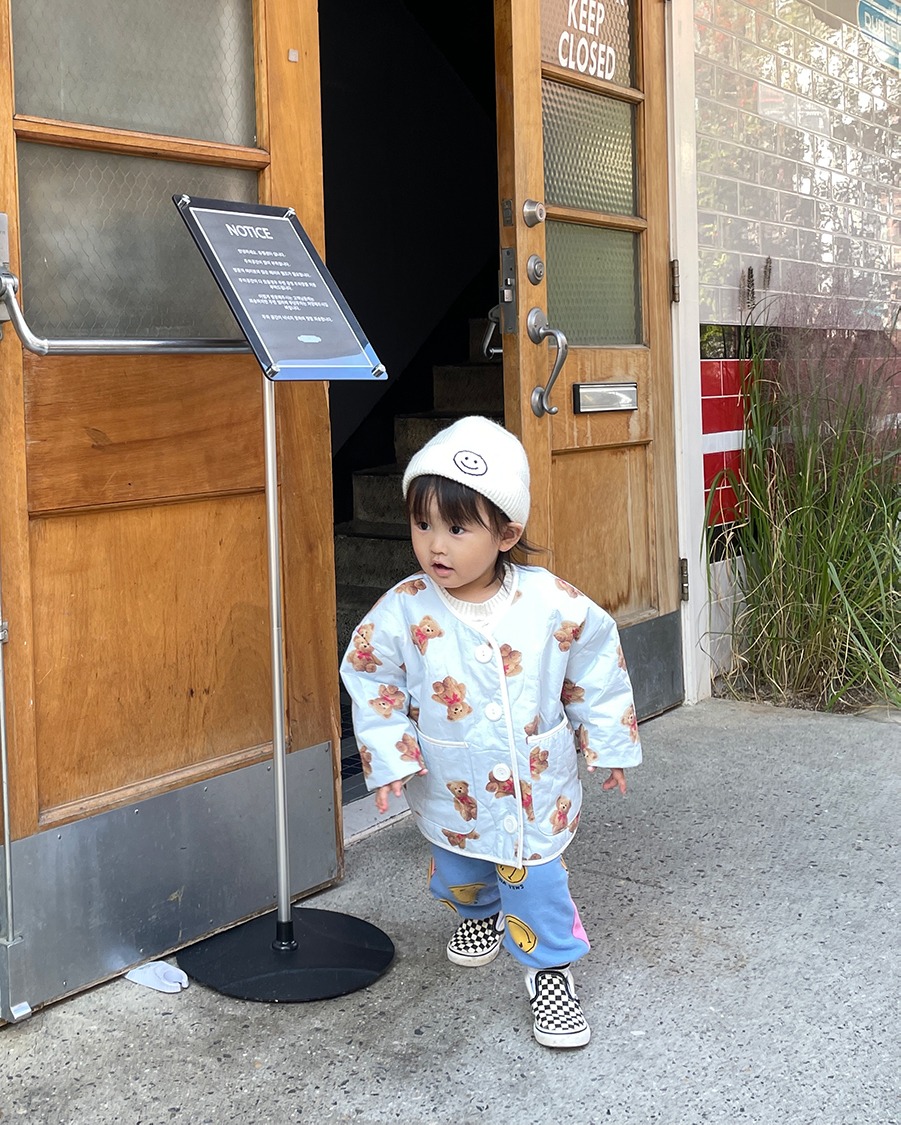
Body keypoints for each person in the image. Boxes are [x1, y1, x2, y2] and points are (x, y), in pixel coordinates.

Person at [340, 415, 640, 1048]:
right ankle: (479, 912)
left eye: (456, 529)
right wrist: (391, 754)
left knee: (536, 881)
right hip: (451, 779)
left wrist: (608, 741)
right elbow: (371, 674)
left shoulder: (551, 602)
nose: (435, 546)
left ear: (507, 533)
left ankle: (550, 972)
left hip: (533, 784)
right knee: (459, 866)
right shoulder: (404, 609)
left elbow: (596, 666)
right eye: (422, 524)